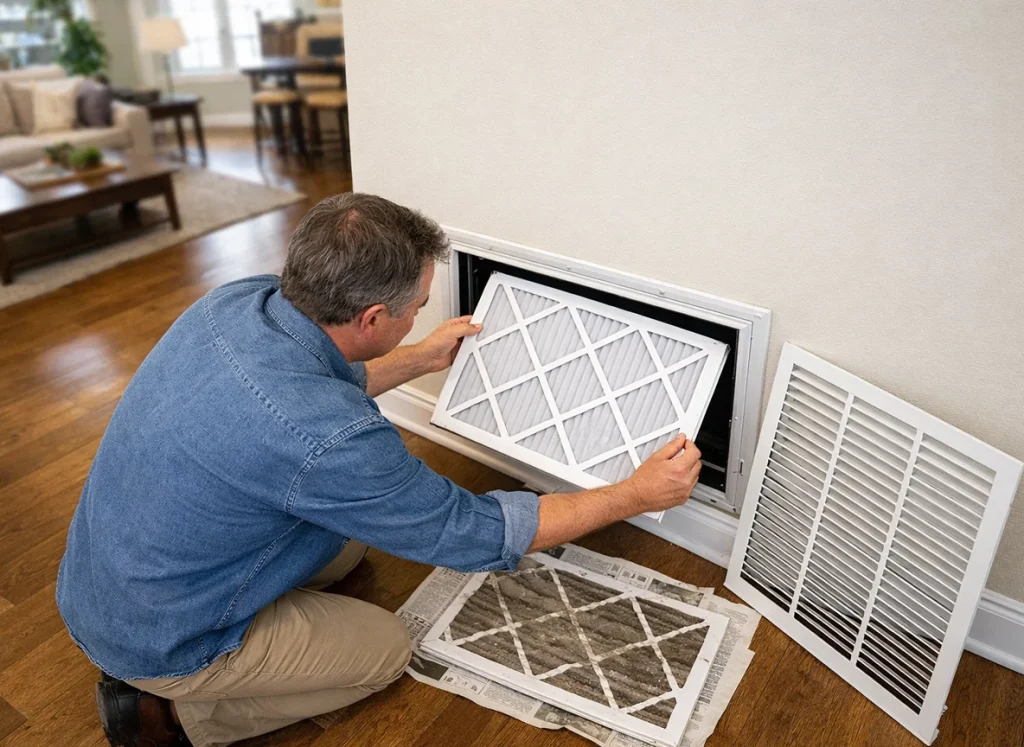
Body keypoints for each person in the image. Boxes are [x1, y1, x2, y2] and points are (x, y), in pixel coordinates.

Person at [56, 193, 702, 747]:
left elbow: (309, 383)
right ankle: (175, 714)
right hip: (165, 637)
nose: (421, 312)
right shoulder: (331, 439)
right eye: (416, 306)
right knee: (385, 651)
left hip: (107, 578)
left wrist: (419, 358)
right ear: (372, 318)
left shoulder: (238, 303)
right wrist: (634, 493)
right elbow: (474, 534)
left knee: (348, 545)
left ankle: (242, 632)